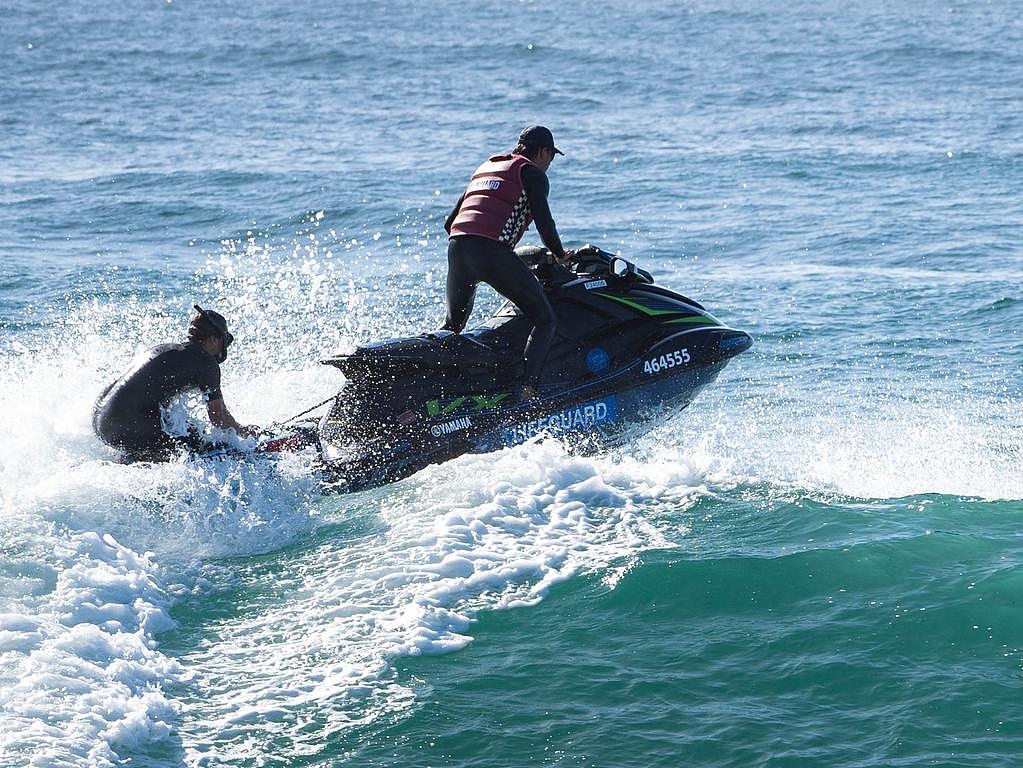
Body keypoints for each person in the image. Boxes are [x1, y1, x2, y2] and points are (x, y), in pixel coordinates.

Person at [442, 125, 573, 400]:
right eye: (551, 157)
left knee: (453, 327)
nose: (549, 164)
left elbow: (449, 223)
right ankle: (527, 390)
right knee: (545, 318)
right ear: (543, 151)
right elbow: (545, 225)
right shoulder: (532, 173)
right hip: (489, 251)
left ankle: (439, 386)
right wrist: (560, 254)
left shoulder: (487, 167)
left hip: (457, 247)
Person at [92, 305, 257, 462]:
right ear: (214, 339)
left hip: (101, 420)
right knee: (189, 450)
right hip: (124, 424)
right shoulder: (206, 363)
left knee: (189, 432)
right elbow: (219, 418)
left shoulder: (168, 350)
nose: (225, 345)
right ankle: (140, 457)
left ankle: (134, 455)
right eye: (226, 339)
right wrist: (249, 433)